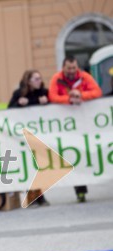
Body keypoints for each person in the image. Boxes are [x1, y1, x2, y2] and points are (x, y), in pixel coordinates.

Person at [49, 55, 102, 203]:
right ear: (63, 68)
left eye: (74, 68)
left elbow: (97, 92)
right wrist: (69, 99)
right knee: (73, 156)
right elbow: (52, 96)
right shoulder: (56, 78)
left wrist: (81, 95)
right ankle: (80, 190)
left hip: (86, 123)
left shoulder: (84, 77)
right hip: (67, 125)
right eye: (69, 68)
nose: (72, 71)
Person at [8, 69, 50, 207]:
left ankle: (37, 195)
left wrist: (43, 101)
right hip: (24, 135)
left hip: (41, 133)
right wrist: (19, 104)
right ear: (29, 81)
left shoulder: (44, 92)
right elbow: (9, 110)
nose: (39, 81)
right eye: (36, 79)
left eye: (40, 78)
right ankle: (35, 195)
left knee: (39, 164)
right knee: (30, 164)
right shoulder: (19, 93)